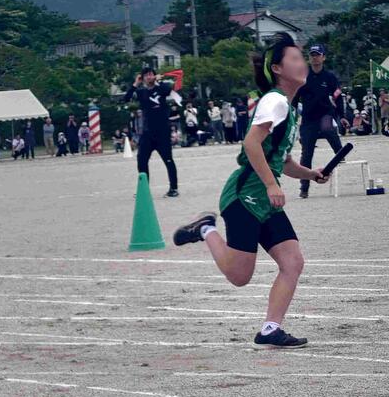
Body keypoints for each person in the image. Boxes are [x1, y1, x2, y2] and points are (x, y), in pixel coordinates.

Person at [174, 32, 329, 348]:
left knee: (293, 262)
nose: (302, 63)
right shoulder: (274, 100)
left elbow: (282, 161)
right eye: (295, 58)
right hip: (244, 195)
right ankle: (205, 229)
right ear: (278, 69)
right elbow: (251, 144)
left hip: (265, 199)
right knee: (239, 276)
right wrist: (271, 184)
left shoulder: (290, 108)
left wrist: (310, 174)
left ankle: (271, 328)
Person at [296, 43, 347, 199]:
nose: (315, 58)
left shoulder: (329, 77)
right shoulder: (303, 76)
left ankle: (340, 153)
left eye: (318, 55)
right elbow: (295, 97)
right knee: (306, 154)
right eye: (312, 55)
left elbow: (338, 97)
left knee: (327, 129)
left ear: (323, 57)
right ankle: (304, 188)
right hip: (308, 118)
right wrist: (291, 114)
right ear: (309, 58)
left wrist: (342, 115)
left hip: (325, 114)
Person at [122, 67, 179, 197]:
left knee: (168, 160)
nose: (149, 77)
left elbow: (170, 90)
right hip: (147, 132)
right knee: (141, 160)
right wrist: (135, 84)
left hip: (162, 132)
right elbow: (126, 98)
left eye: (151, 74)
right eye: (146, 75)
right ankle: (144, 189)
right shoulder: (141, 92)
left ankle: (173, 188)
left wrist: (159, 81)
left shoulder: (161, 89)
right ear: (143, 78)